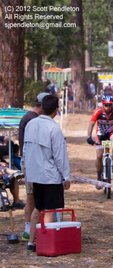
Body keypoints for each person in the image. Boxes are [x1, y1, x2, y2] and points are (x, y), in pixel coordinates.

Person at [23, 94, 71, 252]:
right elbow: (60, 156)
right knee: (50, 210)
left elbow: (25, 149)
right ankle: (48, 244)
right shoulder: (54, 128)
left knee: (38, 208)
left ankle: (31, 241)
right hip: (50, 176)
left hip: (34, 174)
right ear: (56, 110)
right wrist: (66, 176)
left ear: (42, 107)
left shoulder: (31, 124)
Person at [18, 92, 49, 242]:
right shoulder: (32, 119)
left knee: (32, 197)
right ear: (42, 105)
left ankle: (29, 229)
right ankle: (28, 231)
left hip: (31, 162)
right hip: (32, 163)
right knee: (31, 198)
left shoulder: (29, 117)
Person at [87, 95, 113, 189]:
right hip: (100, 134)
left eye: (110, 105)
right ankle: (99, 177)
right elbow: (91, 124)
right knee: (99, 156)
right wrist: (89, 136)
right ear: (103, 104)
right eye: (106, 105)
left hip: (111, 133)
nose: (108, 107)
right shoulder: (98, 112)